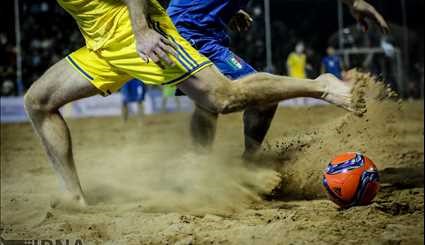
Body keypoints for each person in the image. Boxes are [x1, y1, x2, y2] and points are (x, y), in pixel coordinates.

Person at [24, 0, 389, 206]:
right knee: (38, 101)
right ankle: (75, 197)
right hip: (103, 46)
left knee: (223, 97)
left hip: (140, 33)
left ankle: (320, 87)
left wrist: (141, 30)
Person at [167, 1, 278, 157]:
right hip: (191, 31)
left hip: (201, 30)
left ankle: (200, 162)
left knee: (207, 101)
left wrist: (228, 9)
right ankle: (249, 161)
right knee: (265, 94)